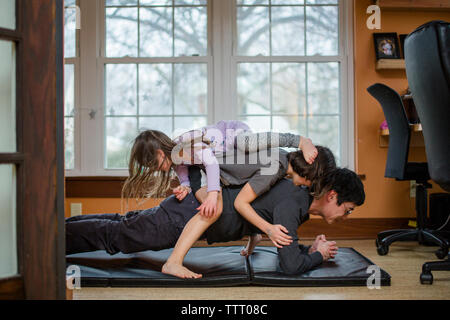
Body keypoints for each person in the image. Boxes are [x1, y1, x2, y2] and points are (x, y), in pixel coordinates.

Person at [66, 166, 365, 278]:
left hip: (192, 208)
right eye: (348, 209)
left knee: (123, 225)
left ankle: (61, 228)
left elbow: (286, 245)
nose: (346, 216)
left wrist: (311, 249)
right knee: (118, 237)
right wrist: (318, 255)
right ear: (332, 196)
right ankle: (55, 238)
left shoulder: (295, 197)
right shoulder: (293, 203)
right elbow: (291, 266)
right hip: (189, 215)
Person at [161, 146, 336, 278]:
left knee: (256, 198)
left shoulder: (282, 159)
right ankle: (173, 262)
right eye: (312, 183)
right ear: (311, 174)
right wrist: (268, 228)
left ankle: (254, 234)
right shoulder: (275, 167)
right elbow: (240, 203)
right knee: (214, 210)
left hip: (220, 174)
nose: (309, 188)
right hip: (203, 170)